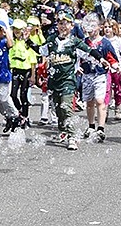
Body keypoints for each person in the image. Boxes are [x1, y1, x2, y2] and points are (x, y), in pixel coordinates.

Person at [41, 11, 86, 150]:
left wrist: (102, 60)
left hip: (68, 80)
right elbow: (41, 50)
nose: (63, 26)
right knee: (58, 107)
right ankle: (63, 131)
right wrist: (27, 40)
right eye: (60, 23)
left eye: (66, 23)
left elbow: (89, 51)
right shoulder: (51, 39)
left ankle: (73, 136)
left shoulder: (74, 41)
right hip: (54, 80)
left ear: (72, 25)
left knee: (66, 107)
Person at [0, 20, 24, 132]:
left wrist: (6, 31)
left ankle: (16, 116)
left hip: (3, 75)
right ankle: (8, 118)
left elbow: (11, 44)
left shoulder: (3, 42)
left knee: (4, 99)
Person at [78, 21, 114, 143]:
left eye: (93, 26)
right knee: (89, 102)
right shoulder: (84, 42)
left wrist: (116, 65)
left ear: (99, 27)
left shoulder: (105, 43)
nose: (91, 29)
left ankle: (101, 128)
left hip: (100, 75)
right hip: (87, 75)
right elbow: (77, 56)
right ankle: (91, 125)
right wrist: (77, 66)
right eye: (88, 27)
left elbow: (111, 57)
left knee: (99, 100)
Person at [8, 19, 38, 124]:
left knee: (23, 95)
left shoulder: (27, 42)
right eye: (15, 29)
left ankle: (25, 116)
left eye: (19, 29)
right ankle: (20, 111)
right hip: (15, 70)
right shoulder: (13, 42)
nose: (16, 31)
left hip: (26, 71)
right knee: (12, 95)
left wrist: (33, 75)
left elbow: (33, 60)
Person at [104, 20, 121, 120]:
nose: (107, 29)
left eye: (109, 26)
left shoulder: (118, 40)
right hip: (105, 68)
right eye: (105, 27)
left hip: (117, 68)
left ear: (114, 28)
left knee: (117, 89)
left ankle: (118, 108)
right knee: (106, 89)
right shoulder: (102, 40)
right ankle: (105, 109)